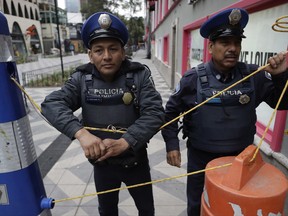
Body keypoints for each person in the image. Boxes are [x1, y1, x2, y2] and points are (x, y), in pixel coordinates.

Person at [161, 8, 288, 216]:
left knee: (235, 209)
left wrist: (280, 76)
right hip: (202, 159)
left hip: (241, 160)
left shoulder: (253, 75)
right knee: (197, 206)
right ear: (211, 47)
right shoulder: (193, 78)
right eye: (225, 43)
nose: (232, 49)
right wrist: (171, 145)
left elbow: (281, 104)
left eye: (237, 43)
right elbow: (170, 114)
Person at [41, 12, 165, 216]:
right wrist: (81, 134)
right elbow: (51, 104)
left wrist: (126, 141)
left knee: (146, 210)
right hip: (103, 166)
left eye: (113, 49)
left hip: (136, 161)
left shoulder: (139, 75)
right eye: (99, 50)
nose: (106, 56)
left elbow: (155, 113)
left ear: (123, 52)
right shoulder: (81, 79)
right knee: (107, 211)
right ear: (90, 55)